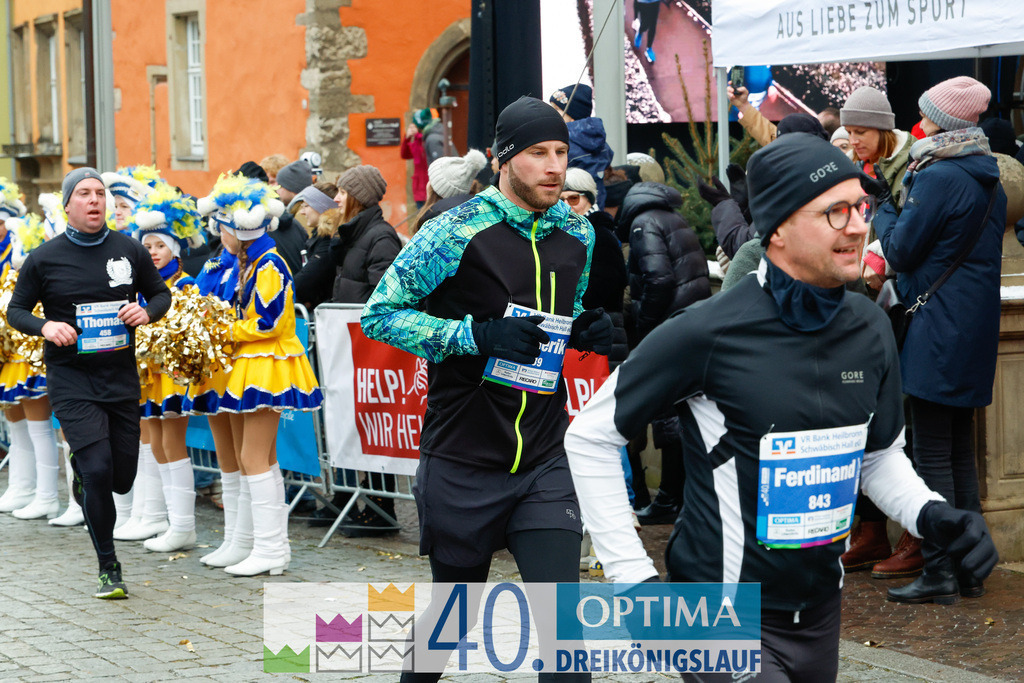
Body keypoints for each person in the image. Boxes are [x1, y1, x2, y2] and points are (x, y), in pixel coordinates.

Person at [564, 133, 999, 680]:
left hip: (819, 612)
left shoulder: (869, 327)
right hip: (716, 615)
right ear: (778, 230)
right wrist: (632, 580)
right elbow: (589, 435)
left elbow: (876, 456)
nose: (860, 225)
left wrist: (931, 514)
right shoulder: (709, 329)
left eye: (861, 207)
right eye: (834, 212)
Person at [362, 96, 612, 683]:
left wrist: (583, 328)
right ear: (504, 159)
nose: (555, 167)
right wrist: (474, 335)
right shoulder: (452, 231)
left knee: (564, 640)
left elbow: (559, 317)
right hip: (465, 455)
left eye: (561, 153)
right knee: (450, 623)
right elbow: (380, 315)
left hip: (544, 457)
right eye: (537, 154)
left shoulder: (578, 230)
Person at [8, 168, 172, 599]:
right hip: (71, 377)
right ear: (68, 206)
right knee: (99, 471)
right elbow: (16, 311)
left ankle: (84, 475)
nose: (95, 200)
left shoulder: (129, 249)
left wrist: (146, 313)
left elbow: (160, 294)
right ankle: (108, 566)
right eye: (84, 193)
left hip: (119, 377)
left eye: (100, 193)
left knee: (120, 477)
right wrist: (45, 327)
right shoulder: (45, 258)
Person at [874, 76, 1005, 605]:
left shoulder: (938, 176)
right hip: (972, 329)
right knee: (959, 453)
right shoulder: (987, 173)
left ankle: (939, 571)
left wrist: (884, 205)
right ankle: (970, 569)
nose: (918, 123)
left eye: (925, 115)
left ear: (941, 123)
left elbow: (902, 250)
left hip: (937, 330)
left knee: (930, 454)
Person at [197, 172, 324, 576]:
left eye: (223, 228)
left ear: (240, 230)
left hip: (265, 365)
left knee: (256, 456)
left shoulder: (268, 264)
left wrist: (222, 330)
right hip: (248, 364)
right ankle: (249, 542)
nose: (219, 235)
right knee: (248, 456)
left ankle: (270, 548)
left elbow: (267, 322)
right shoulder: (245, 262)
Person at [619, 180, 711, 525]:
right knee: (684, 414)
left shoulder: (644, 224)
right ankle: (681, 499)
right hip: (689, 324)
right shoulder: (672, 217)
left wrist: (646, 325)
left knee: (669, 418)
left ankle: (670, 500)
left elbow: (658, 279)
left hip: (669, 328)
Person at [128, 186, 206, 553]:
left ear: (174, 248)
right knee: (156, 443)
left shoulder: (186, 285)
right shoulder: (144, 287)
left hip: (172, 378)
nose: (153, 253)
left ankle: (183, 526)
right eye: (147, 247)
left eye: (159, 246)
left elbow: (186, 335)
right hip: (148, 377)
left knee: (173, 444)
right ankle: (164, 519)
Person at [328, 165, 403, 535]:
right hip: (350, 348)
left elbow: (383, 293)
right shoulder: (356, 233)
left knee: (375, 426)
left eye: (342, 192)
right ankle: (363, 503)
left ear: (357, 196)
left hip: (371, 349)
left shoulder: (380, 236)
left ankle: (379, 508)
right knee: (356, 425)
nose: (336, 198)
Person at [840, 86, 915, 294]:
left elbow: (916, 223)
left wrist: (880, 255)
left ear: (882, 129)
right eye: (849, 132)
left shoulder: (911, 165)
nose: (853, 140)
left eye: (860, 132)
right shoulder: (848, 164)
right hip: (851, 282)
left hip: (890, 284)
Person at [549, 84, 614, 209]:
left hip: (569, 208)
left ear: (573, 116)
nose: (551, 113)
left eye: (556, 109)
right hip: (595, 206)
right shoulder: (600, 143)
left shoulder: (562, 142)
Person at [412, 148, 488, 234]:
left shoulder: (431, 225)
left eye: (431, 180)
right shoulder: (475, 218)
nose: (428, 183)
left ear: (435, 190)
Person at [292, 181, 340, 310]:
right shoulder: (320, 238)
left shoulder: (328, 241)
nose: (302, 212)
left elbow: (304, 282)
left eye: (306, 206)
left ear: (321, 207)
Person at [400, 110, 432, 209]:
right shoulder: (416, 142)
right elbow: (405, 155)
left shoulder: (427, 138)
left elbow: (424, 154)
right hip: (419, 188)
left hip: (429, 185)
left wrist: (418, 135)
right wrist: (407, 138)